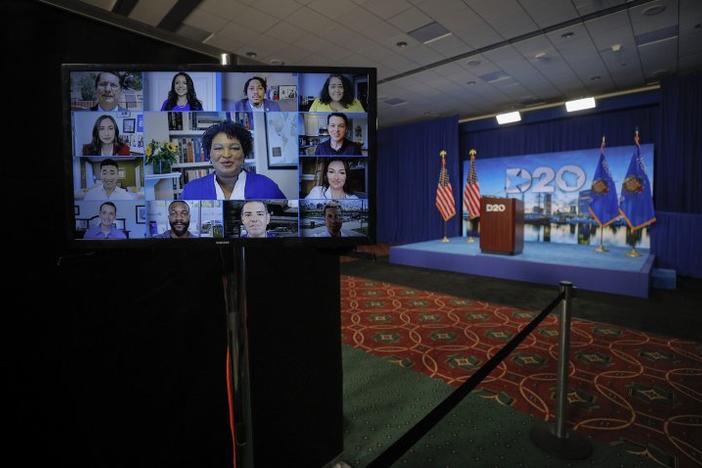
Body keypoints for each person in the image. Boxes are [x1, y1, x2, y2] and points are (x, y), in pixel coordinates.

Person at [180, 120, 285, 200]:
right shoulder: (191, 191)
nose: (226, 155)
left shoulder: (267, 186)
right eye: (218, 148)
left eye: (234, 148)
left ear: (244, 153)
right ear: (209, 155)